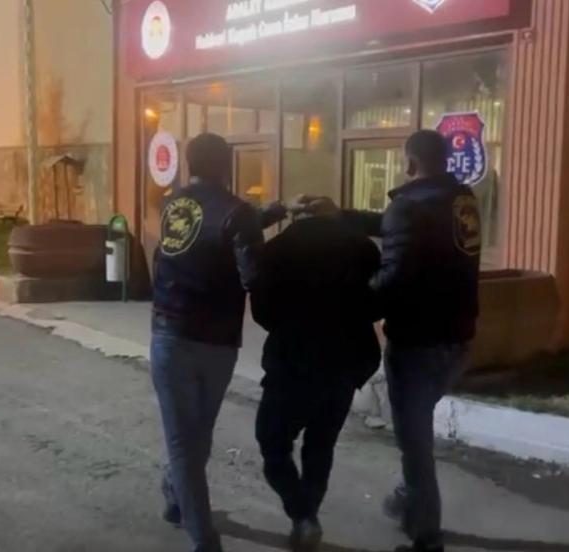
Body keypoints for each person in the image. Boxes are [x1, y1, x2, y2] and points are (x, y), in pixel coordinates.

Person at [296, 130, 481, 552]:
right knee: (416, 431)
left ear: (409, 162)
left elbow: (391, 279)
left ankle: (427, 536)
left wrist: (345, 304)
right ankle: (406, 501)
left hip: (418, 344)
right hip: (459, 341)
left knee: (414, 445)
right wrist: (339, 215)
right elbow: (397, 228)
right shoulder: (461, 200)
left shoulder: (410, 207)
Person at [150, 132, 286, 552]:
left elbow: (215, 228)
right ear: (227, 166)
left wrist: (274, 212)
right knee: (194, 436)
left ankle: (177, 496)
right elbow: (251, 268)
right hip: (217, 340)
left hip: (169, 333)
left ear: (189, 165)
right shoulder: (236, 211)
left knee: (186, 439)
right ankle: (204, 538)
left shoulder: (171, 205)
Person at [250, 211, 381, 550]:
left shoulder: (276, 250)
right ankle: (307, 516)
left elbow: (262, 311)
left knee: (273, 443)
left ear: (297, 217)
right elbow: (377, 304)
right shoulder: (363, 249)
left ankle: (302, 515)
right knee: (320, 447)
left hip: (292, 362)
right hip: (344, 362)